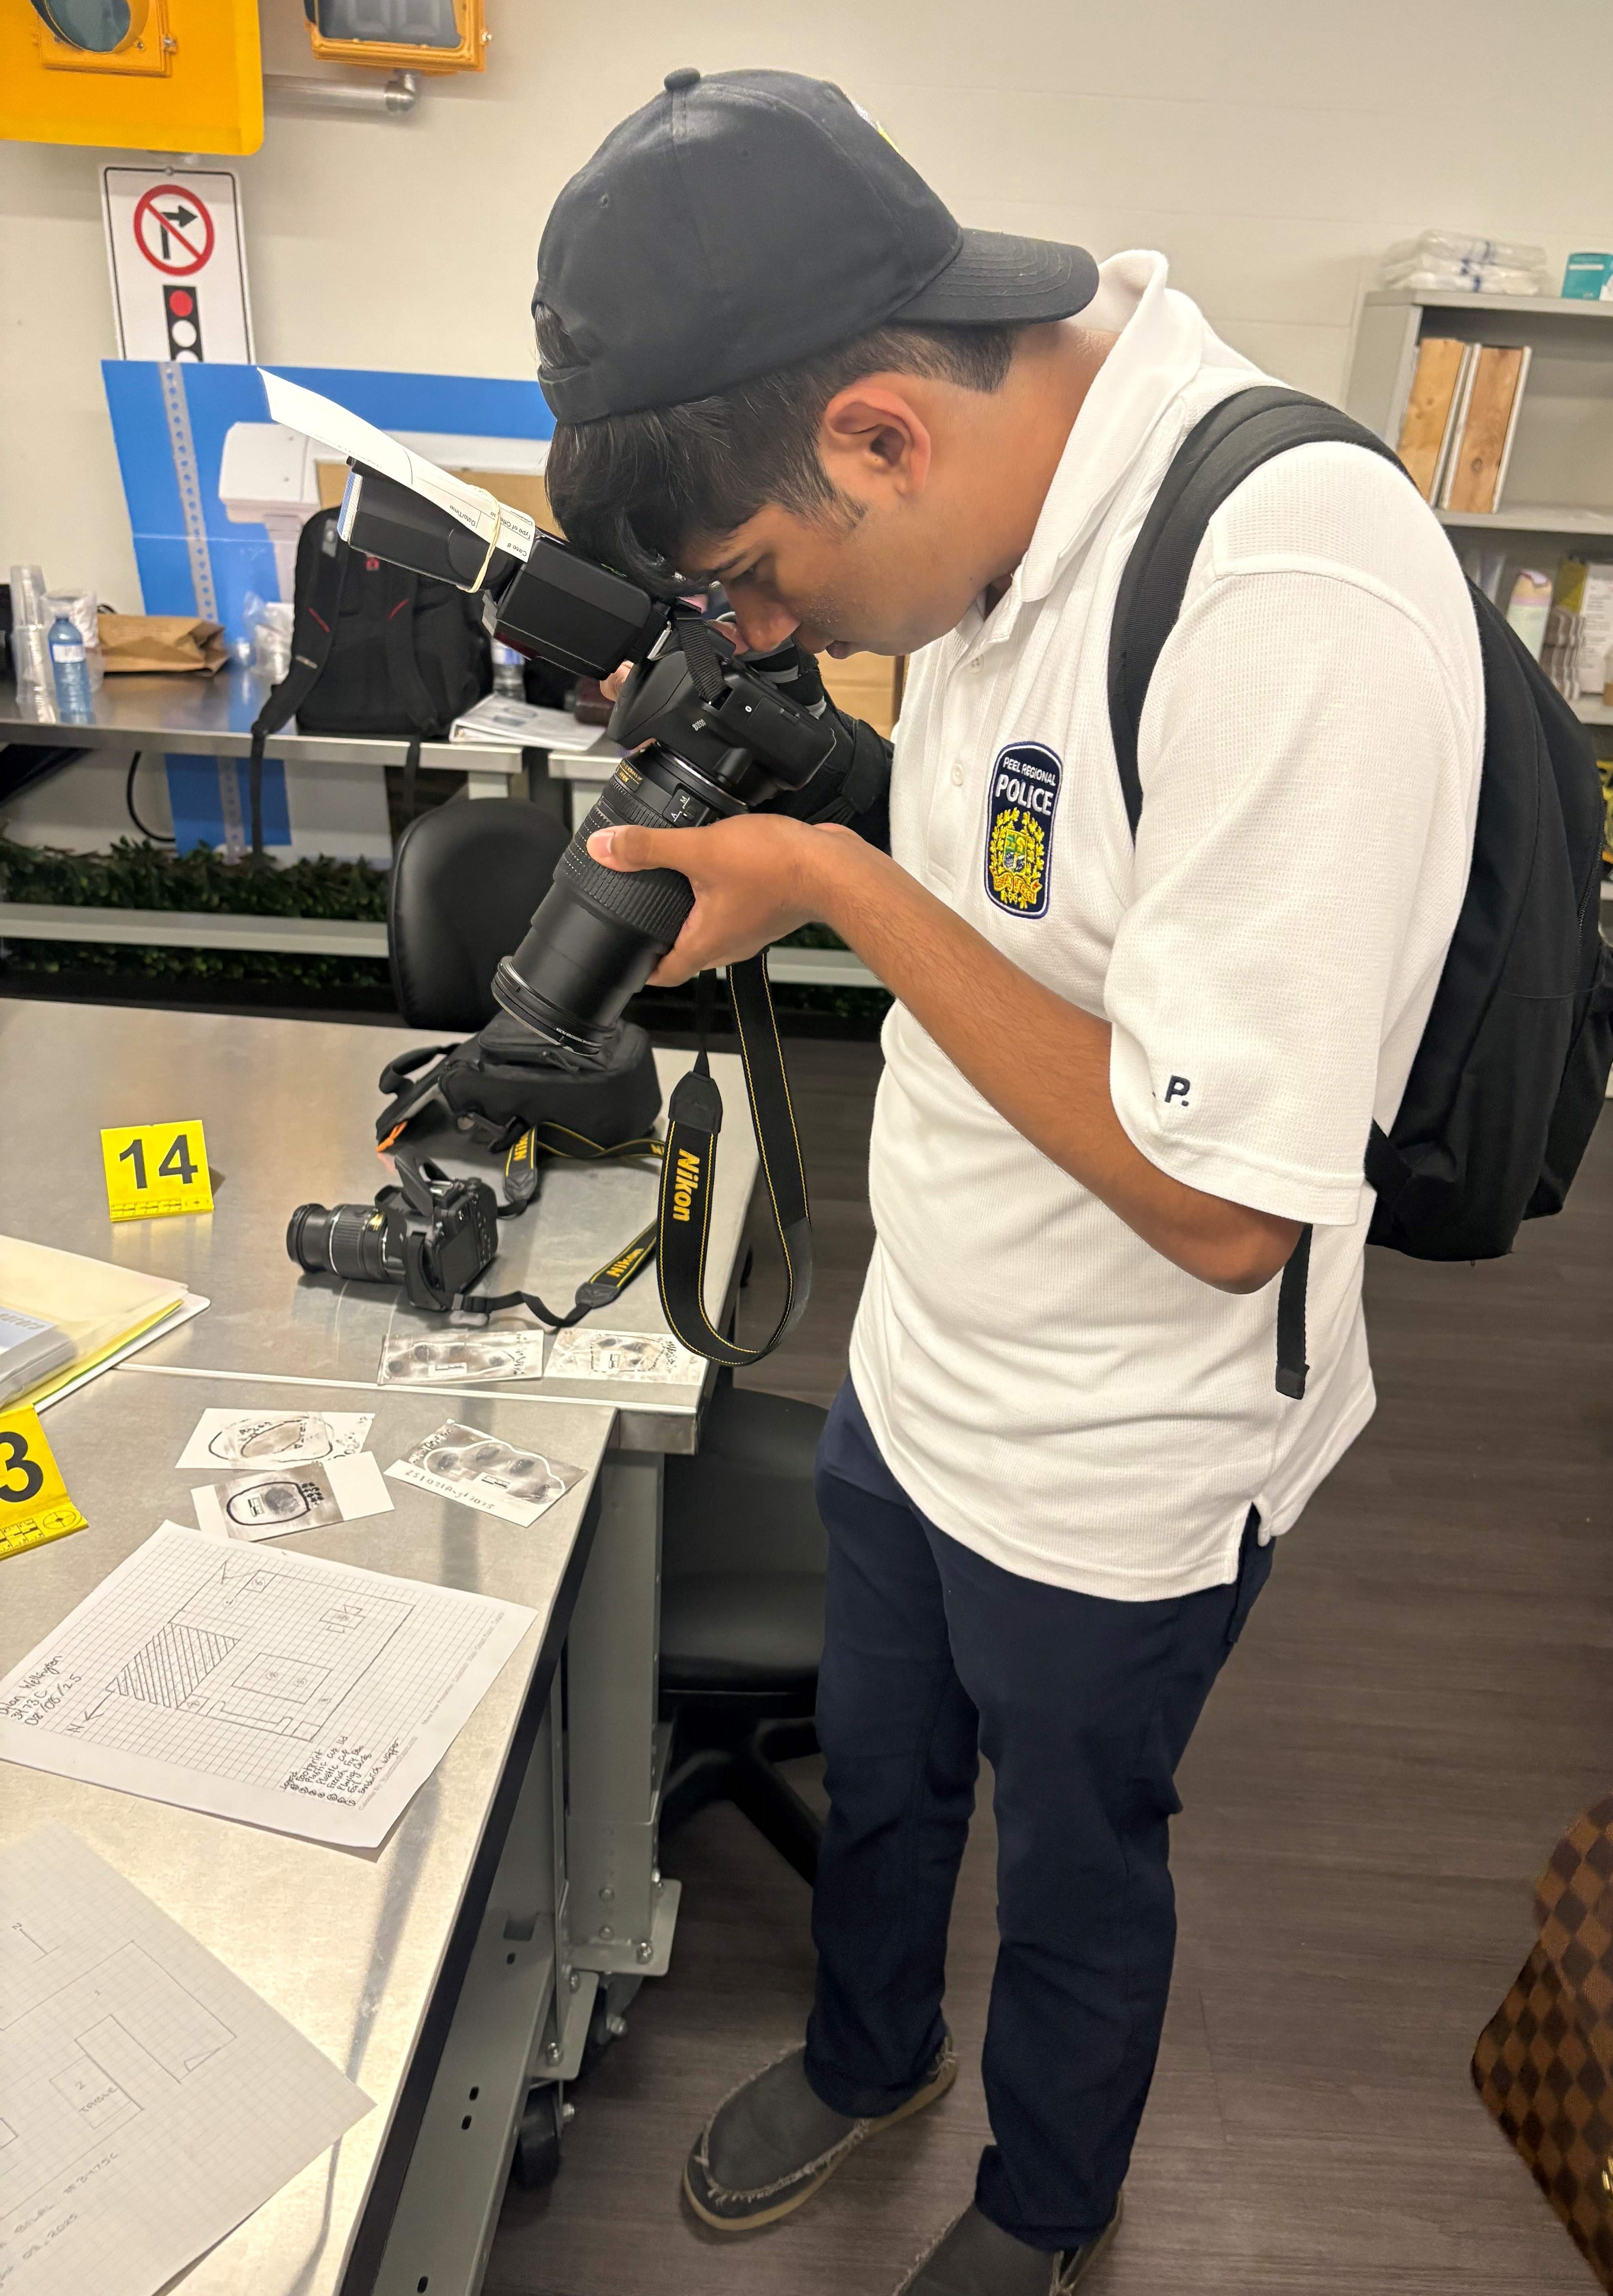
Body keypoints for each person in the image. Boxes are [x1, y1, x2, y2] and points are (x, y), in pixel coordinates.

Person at [531, 66, 1485, 2296]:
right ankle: (871, 2048)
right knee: (880, 1770)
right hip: (929, 1348)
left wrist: (842, 884)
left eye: (761, 582)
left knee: (1079, 1854)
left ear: (875, 430)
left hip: (1128, 1441)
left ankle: (1043, 2206)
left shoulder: (1286, 589)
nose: (763, 626)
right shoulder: (986, 531)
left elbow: (1221, 1196)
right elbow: (1037, 895)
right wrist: (814, 825)